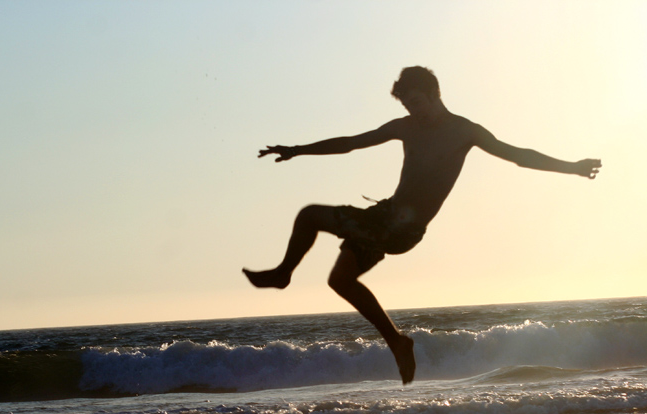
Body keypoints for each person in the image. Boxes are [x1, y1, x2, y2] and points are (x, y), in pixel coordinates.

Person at [244, 66, 602, 384]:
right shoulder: (406, 128)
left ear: (435, 94)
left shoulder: (466, 132)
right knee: (339, 279)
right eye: (407, 105)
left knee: (311, 216)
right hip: (383, 218)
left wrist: (571, 166)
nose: (413, 110)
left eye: (417, 101)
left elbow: (519, 157)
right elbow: (352, 143)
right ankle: (397, 341)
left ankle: (282, 275)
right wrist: (298, 149)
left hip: (403, 231)